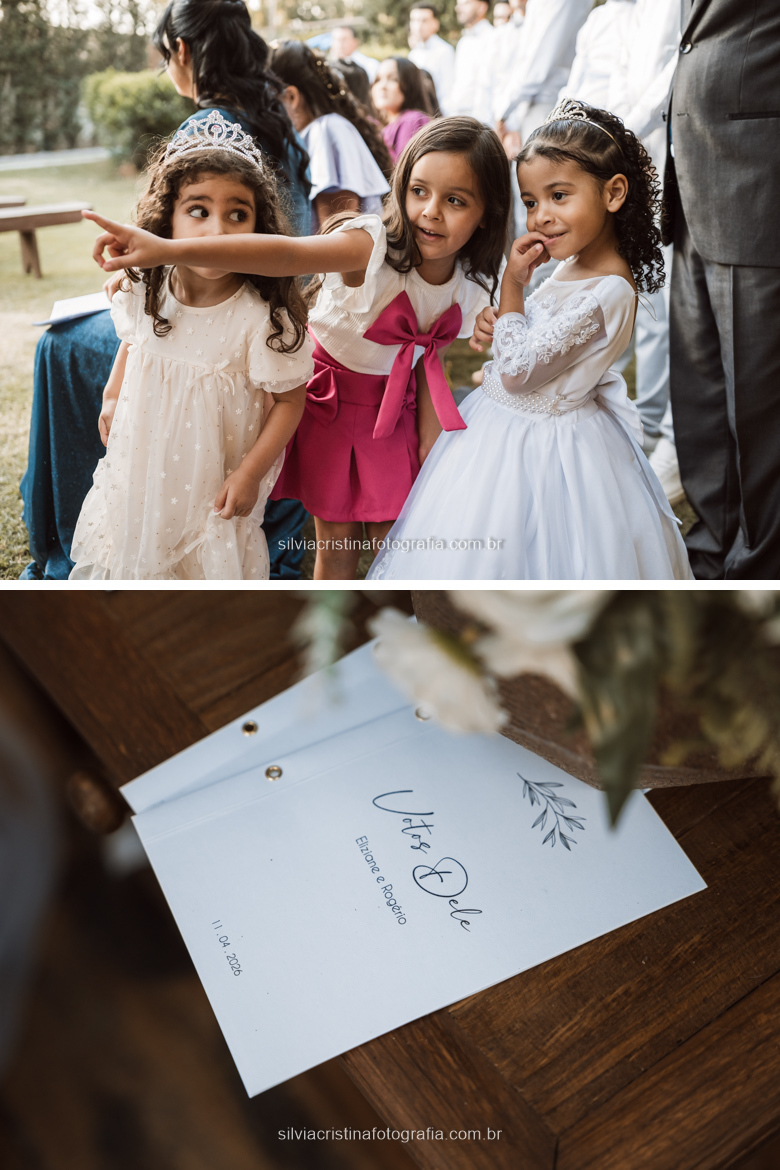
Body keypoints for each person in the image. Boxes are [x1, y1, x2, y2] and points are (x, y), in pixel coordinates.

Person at [84, 117, 511, 582]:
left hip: (396, 412)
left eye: (455, 200)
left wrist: (431, 437)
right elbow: (289, 256)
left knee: (400, 539)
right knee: (337, 547)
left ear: (487, 211)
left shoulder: (471, 281)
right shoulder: (369, 246)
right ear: (401, 186)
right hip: (332, 407)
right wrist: (167, 249)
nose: (430, 211)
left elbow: (431, 354)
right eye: (419, 191)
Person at [21, 0, 311, 581]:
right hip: (231, 304)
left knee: (59, 349)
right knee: (110, 344)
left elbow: (191, 243)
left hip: (247, 319)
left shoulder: (208, 129)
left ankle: (52, 534)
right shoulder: (277, 114)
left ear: (180, 52)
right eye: (198, 210)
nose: (216, 225)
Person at [367, 101, 693, 581]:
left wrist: (513, 289)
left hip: (547, 449)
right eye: (532, 202)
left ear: (614, 192)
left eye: (559, 196)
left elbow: (520, 371)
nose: (541, 217)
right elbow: (529, 338)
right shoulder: (574, 263)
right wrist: (499, 322)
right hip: (503, 429)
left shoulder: (608, 290)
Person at [71, 115, 313, 580]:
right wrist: (112, 394)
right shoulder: (145, 287)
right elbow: (134, 343)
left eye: (237, 214)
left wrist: (249, 475)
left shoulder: (260, 318)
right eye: (198, 211)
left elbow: (288, 402)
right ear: (168, 218)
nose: (216, 230)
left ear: (260, 228)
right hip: (140, 462)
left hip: (211, 482)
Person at [664, 0, 780, 578]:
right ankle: (711, 553)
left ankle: (761, 569)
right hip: (693, 183)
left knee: (760, 403)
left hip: (758, 181)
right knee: (701, 394)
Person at [606, 0, 682, 504]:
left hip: (660, 156)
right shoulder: (619, 15)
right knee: (623, 291)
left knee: (660, 300)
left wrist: (617, 131)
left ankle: (660, 431)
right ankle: (632, 420)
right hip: (622, 159)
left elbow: (673, 70)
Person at [270, 41, 391, 231]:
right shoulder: (320, 131)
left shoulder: (327, 132)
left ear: (291, 97)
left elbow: (337, 234)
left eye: (269, 100)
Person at [372, 57, 433, 163]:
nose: (382, 86)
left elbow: (402, 170)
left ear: (409, 85)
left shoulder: (411, 120)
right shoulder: (386, 124)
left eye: (393, 79)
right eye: (378, 79)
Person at [447, 0, 495, 123]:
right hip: (458, 118)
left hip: (480, 122)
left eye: (465, 3)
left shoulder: (493, 38)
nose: (458, 8)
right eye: (458, 3)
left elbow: (489, 85)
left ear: (482, 7)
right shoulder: (463, 41)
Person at [408, 4, 455, 111]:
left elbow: (447, 92)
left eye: (424, 20)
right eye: (414, 20)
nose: (418, 26)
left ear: (435, 24)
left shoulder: (444, 51)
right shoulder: (414, 53)